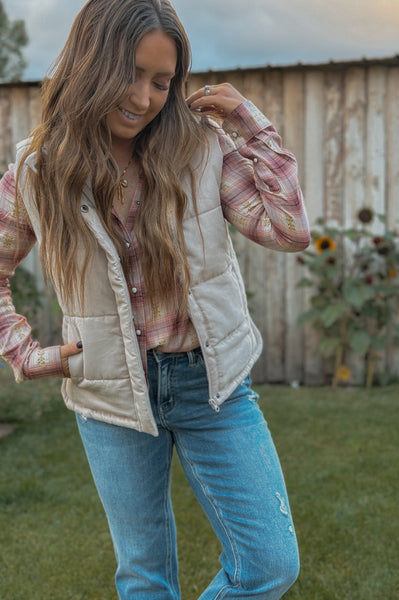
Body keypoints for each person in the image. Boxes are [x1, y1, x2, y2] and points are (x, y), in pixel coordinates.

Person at [0, 0, 310, 598]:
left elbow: (289, 229)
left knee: (270, 564)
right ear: (89, 63)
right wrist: (30, 355)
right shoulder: (38, 173)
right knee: (143, 578)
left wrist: (250, 124)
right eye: (130, 72)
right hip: (109, 394)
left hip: (211, 386)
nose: (143, 97)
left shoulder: (201, 150)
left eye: (161, 82)